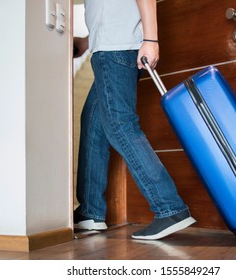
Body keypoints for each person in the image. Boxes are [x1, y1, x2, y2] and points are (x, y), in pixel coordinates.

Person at [74, 0, 196, 240]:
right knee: (93, 124)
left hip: (115, 49)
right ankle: (90, 212)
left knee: (120, 126)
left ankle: (169, 208)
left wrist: (151, 41)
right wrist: (87, 42)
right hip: (109, 46)